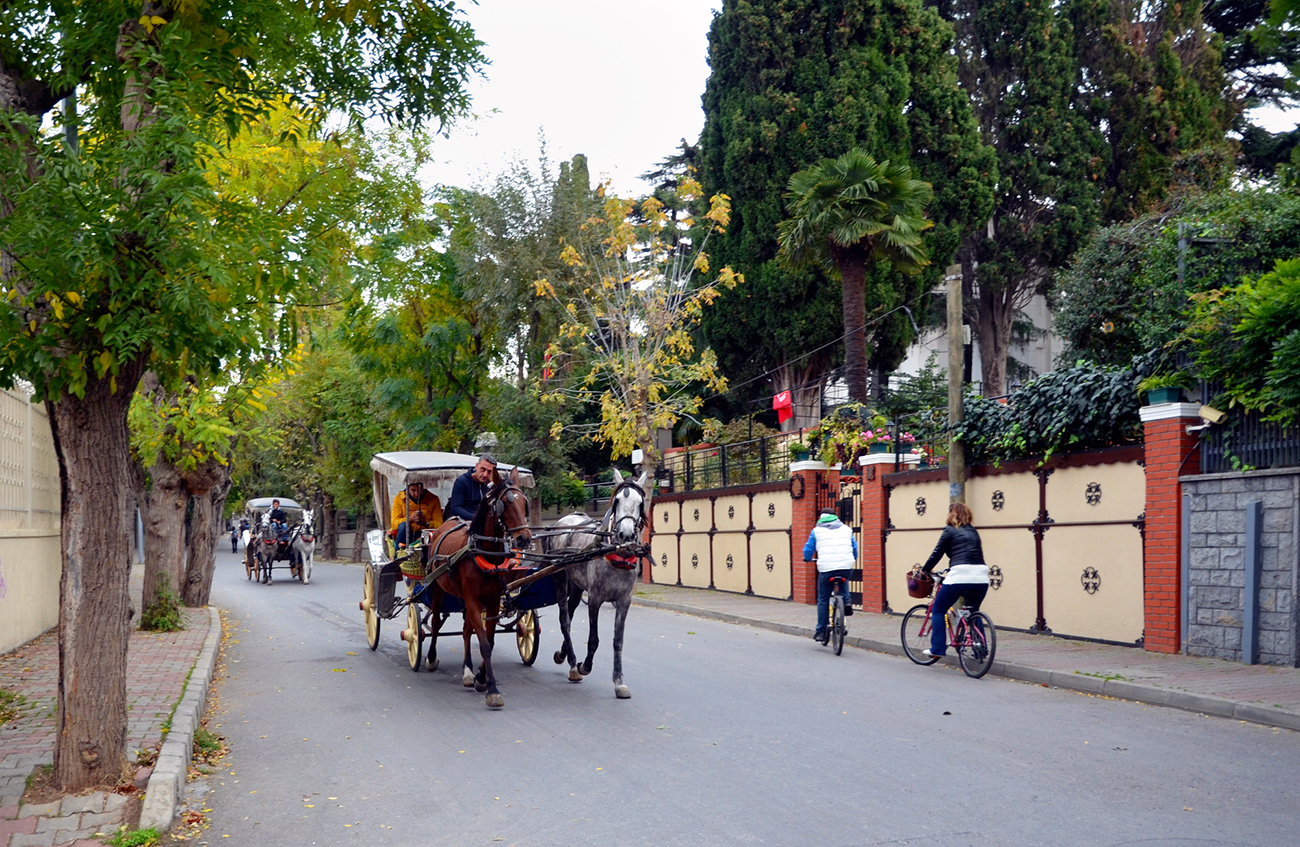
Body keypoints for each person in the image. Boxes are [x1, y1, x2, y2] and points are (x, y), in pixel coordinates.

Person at [920, 502, 990, 658]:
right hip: (981, 577)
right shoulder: (974, 532)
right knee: (973, 611)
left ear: (951, 515)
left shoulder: (950, 530)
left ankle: (937, 649)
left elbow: (936, 553)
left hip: (959, 575)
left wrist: (924, 570)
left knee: (938, 610)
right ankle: (981, 649)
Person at [802, 508, 857, 645]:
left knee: (823, 598)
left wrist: (807, 558)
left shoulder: (816, 531)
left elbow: (809, 549)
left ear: (820, 518)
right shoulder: (847, 529)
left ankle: (820, 631)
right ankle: (847, 601)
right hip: (846, 565)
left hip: (826, 569)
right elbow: (854, 548)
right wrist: (852, 559)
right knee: (843, 575)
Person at [391, 480, 443, 549]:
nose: (416, 494)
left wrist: (426, 523)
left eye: (419, 490)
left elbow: (440, 524)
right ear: (408, 488)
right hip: (406, 533)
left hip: (426, 534)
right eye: (413, 490)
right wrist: (410, 519)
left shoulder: (433, 499)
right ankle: (398, 556)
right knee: (404, 525)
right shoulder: (399, 499)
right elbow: (394, 524)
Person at [445, 454, 498, 522]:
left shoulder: (493, 486)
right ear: (476, 466)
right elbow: (456, 508)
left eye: (489, 472)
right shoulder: (462, 481)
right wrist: (476, 518)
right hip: (463, 522)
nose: (485, 474)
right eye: (483, 469)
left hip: (486, 522)